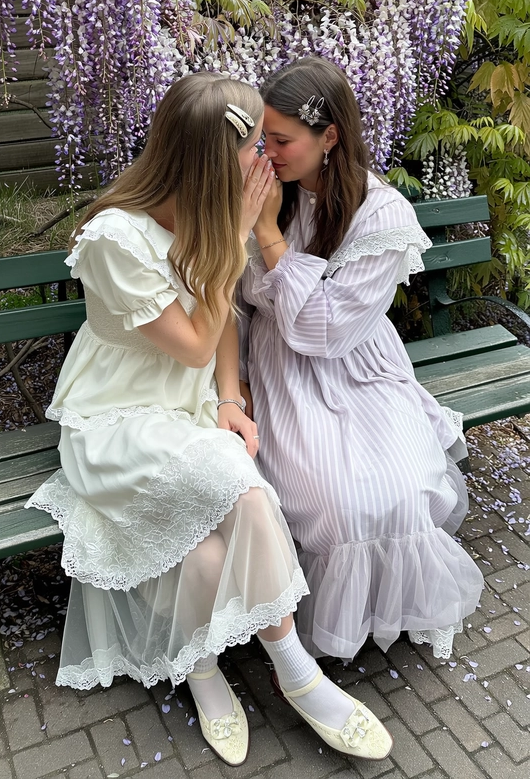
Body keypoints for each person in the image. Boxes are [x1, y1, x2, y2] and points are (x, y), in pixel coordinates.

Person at [26, 72, 393, 767]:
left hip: (189, 413)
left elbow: (220, 331)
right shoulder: (115, 239)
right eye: (257, 146)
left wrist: (229, 398)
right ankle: (297, 675)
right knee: (243, 482)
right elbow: (194, 336)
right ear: (206, 163)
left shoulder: (207, 213)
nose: (268, 162)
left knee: (206, 555)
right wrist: (232, 237)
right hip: (119, 421)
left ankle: (201, 669)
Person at [238, 56, 484, 664]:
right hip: (283, 369)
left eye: (282, 139)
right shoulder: (264, 191)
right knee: (337, 503)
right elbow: (234, 301)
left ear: (330, 137)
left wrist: (270, 237)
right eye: (261, 137)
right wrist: (234, 380)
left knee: (399, 491)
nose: (267, 153)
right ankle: (319, 621)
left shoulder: (382, 214)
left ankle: (393, 606)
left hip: (359, 365)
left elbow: (324, 330)